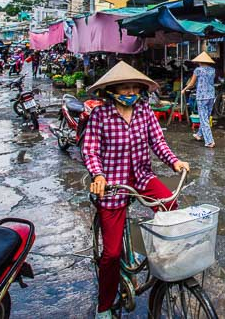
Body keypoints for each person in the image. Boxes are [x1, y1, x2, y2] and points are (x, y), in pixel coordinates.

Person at [82, 61, 189, 319]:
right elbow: (90, 149)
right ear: (112, 90)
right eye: (124, 87)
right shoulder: (100, 115)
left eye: (134, 87)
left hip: (142, 176)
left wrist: (174, 161)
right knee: (111, 253)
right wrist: (98, 175)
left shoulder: (144, 111)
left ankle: (164, 264)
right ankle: (104, 306)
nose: (130, 91)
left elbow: (158, 142)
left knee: (170, 208)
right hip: (112, 184)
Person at [182, 51, 216, 149]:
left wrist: (184, 89)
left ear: (200, 61)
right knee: (206, 117)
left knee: (203, 118)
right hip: (211, 96)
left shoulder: (198, 70)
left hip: (202, 96)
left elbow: (192, 84)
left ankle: (209, 141)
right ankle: (199, 135)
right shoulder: (212, 70)